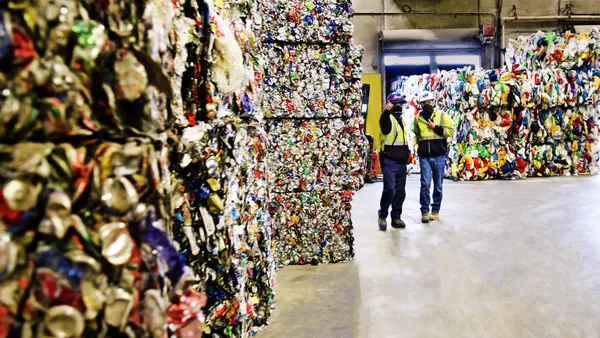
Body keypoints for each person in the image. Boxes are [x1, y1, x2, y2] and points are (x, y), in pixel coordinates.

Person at [413, 91, 455, 223]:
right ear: (420, 104)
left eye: (429, 102)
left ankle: (435, 211)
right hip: (424, 156)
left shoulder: (443, 116)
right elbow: (417, 135)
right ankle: (425, 211)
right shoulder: (417, 119)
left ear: (433, 102)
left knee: (438, 185)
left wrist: (435, 127)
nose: (426, 105)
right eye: (424, 103)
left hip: (439, 156)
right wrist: (416, 147)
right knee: (425, 184)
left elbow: (450, 131)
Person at [378, 93, 411, 231]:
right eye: (401, 104)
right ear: (395, 105)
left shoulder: (401, 120)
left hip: (401, 161)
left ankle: (396, 217)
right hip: (389, 160)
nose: (403, 106)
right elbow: (384, 124)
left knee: (400, 192)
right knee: (390, 190)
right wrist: (386, 111)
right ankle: (383, 216)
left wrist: (408, 153)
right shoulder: (387, 119)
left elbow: (403, 139)